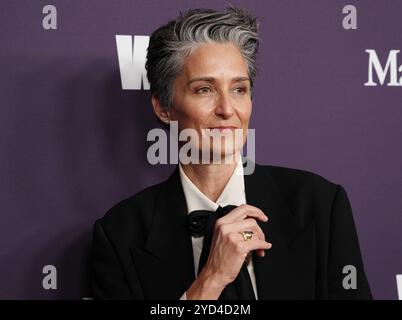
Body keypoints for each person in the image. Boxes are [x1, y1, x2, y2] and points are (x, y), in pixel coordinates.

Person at [90, 6, 372, 300]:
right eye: (204, 90)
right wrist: (211, 281)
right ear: (164, 107)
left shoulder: (319, 206)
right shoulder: (120, 235)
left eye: (239, 89)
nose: (227, 109)